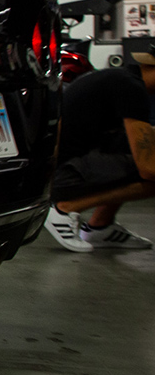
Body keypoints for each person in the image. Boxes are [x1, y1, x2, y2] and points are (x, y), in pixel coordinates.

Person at [44, 48, 155, 252]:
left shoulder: (122, 79)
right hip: (63, 175)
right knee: (151, 176)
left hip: (61, 169)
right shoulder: (132, 89)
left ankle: (100, 227)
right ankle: (64, 209)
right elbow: (147, 167)